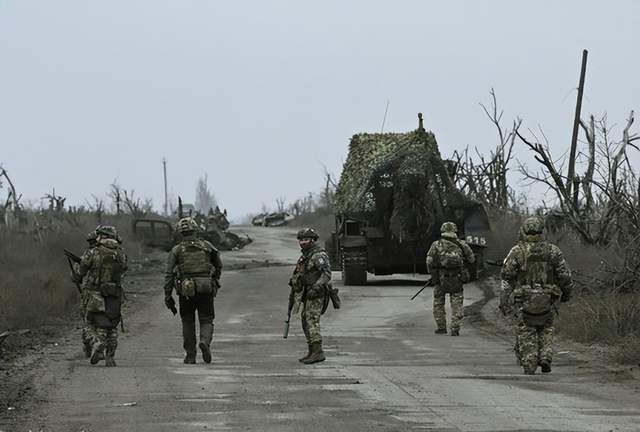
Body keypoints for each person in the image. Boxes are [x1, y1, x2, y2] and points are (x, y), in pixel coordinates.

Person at [499, 216, 572, 375]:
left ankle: (530, 361)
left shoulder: (517, 251)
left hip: (524, 300)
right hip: (548, 299)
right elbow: (565, 276)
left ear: (524, 231)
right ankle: (545, 356)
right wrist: (566, 294)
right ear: (541, 231)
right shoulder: (553, 250)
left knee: (527, 329)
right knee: (546, 328)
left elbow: (507, 278)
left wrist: (503, 299)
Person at [163, 217, 222, 364]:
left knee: (188, 322)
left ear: (180, 233)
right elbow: (218, 265)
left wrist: (167, 295)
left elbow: (169, 274)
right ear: (195, 230)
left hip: (186, 291)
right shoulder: (207, 246)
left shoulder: (176, 250)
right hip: (206, 287)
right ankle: (205, 342)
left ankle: (190, 356)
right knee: (207, 319)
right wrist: (214, 279)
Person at [72, 225, 127, 367]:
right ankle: (111, 356)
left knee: (89, 322)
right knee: (112, 324)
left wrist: (75, 273)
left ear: (102, 236)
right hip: (115, 294)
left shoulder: (93, 252)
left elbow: (81, 271)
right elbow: (124, 270)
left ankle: (97, 343)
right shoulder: (121, 254)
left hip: (94, 294)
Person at [289, 228, 332, 364]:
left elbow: (326, 274)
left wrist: (317, 287)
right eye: (301, 240)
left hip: (316, 293)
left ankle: (318, 352)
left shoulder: (318, 255)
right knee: (305, 320)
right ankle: (312, 351)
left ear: (313, 240)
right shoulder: (306, 255)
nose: (303, 243)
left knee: (312, 321)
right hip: (307, 293)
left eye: (306, 240)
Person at [426, 221, 476, 336]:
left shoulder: (436, 244)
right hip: (457, 278)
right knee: (457, 303)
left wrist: (432, 274)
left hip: (440, 278)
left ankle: (441, 327)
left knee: (438, 302)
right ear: (455, 230)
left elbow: (429, 261)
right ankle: (455, 328)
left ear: (442, 230)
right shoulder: (462, 244)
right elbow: (472, 259)